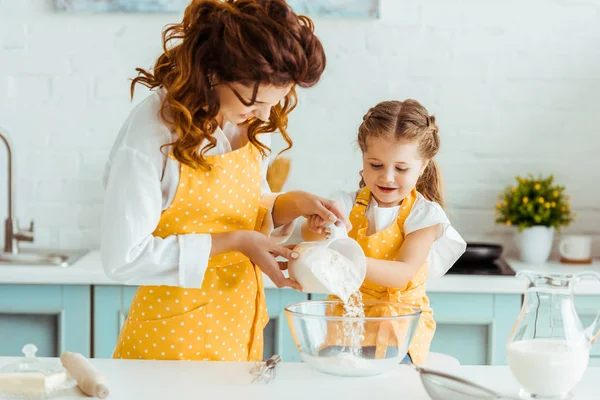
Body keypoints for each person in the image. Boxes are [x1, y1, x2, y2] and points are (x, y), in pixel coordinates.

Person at [101, 0, 349, 362]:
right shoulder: (152, 133)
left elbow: (240, 210)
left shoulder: (247, 122)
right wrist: (233, 242)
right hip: (170, 344)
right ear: (214, 74)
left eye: (274, 102)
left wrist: (287, 206)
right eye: (256, 102)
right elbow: (122, 258)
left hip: (237, 331)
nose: (265, 115)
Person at [302, 99, 466, 364]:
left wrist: (348, 261)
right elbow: (310, 237)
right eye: (376, 165)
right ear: (363, 157)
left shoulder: (424, 216)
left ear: (423, 165)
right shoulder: (346, 204)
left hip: (398, 325)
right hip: (346, 319)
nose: (387, 177)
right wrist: (315, 226)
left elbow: (402, 273)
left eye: (401, 168)